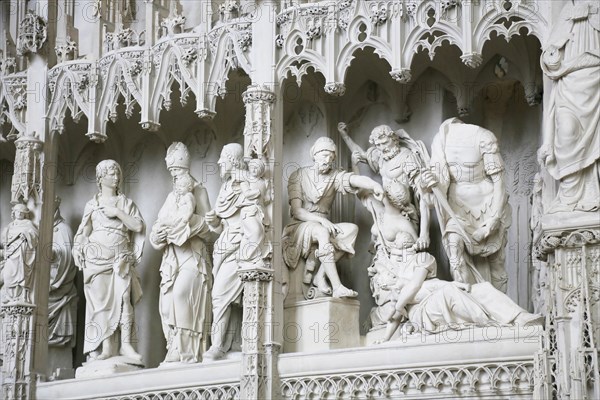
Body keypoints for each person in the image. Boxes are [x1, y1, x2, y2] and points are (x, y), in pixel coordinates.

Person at [338, 123, 431, 326]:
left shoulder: (407, 157)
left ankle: (403, 312)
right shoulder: (380, 157)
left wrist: (425, 233)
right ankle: (389, 309)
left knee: (405, 259)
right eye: (377, 143)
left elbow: (423, 196)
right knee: (384, 262)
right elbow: (360, 154)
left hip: (405, 213)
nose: (381, 146)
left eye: (384, 141)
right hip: (386, 210)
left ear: (393, 138)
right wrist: (344, 135)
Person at [375, 235, 543, 343]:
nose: (404, 250)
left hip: (440, 292)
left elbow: (417, 285)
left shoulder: (422, 259)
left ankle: (519, 318)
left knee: (483, 288)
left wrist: (458, 284)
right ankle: (492, 322)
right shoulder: (397, 286)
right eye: (399, 248)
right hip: (424, 311)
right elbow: (395, 317)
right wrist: (384, 338)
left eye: (407, 245)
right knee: (450, 293)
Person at [282, 136, 384, 299]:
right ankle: (337, 287)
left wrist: (374, 185)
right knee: (323, 232)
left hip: (323, 224)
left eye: (331, 157)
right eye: (324, 155)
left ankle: (320, 276)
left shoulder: (334, 175)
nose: (327, 160)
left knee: (351, 229)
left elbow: (353, 179)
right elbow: (297, 211)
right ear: (314, 155)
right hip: (301, 225)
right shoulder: (298, 175)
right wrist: (322, 220)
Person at [426, 117, 511, 293]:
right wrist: (428, 182)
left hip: (487, 205)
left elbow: (499, 181)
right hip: (456, 208)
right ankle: (469, 304)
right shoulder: (440, 141)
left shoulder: (484, 138)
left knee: (497, 262)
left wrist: (494, 218)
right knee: (454, 252)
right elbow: (439, 180)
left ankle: (500, 308)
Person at [73, 160, 145, 362]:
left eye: (117, 173)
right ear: (100, 177)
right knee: (101, 304)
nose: (116, 177)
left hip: (120, 257)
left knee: (124, 300)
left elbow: (138, 227)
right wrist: (77, 248)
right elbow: (83, 233)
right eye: (111, 173)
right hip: (96, 259)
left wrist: (118, 213)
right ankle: (106, 347)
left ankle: (126, 345)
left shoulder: (125, 203)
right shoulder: (92, 205)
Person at [204, 144, 269, 360]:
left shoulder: (248, 183)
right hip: (225, 244)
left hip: (241, 246)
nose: (219, 163)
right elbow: (222, 223)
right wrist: (214, 223)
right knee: (222, 297)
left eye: (222, 159)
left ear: (232, 160)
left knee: (222, 296)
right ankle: (225, 344)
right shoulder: (225, 187)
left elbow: (257, 206)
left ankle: (220, 345)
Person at [150, 142, 213, 364]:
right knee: (167, 305)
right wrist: (156, 237)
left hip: (192, 258)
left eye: (177, 171)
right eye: (172, 172)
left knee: (181, 296)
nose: (174, 176)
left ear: (186, 169)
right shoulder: (170, 198)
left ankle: (186, 351)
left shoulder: (198, 191)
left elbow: (212, 229)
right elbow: (158, 227)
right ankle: (173, 344)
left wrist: (189, 225)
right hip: (171, 259)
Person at [539, 0, 599, 213]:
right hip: (567, 82)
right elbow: (550, 55)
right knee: (566, 132)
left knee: (595, 142)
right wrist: (552, 57)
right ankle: (569, 194)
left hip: (596, 80)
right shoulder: (567, 8)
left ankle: (592, 192)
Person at [48, 196, 77, 347]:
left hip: (57, 285)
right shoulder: (37, 228)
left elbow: (67, 260)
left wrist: (51, 255)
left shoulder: (63, 229)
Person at [1, 204, 38, 303]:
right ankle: (10, 296)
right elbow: (4, 239)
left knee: (21, 275)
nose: (20, 213)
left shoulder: (28, 223)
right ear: (14, 213)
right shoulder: (10, 225)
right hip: (11, 253)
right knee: (8, 274)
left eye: (22, 212)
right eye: (17, 211)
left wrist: (26, 235)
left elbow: (35, 236)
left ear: (25, 214)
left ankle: (21, 296)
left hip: (22, 253)